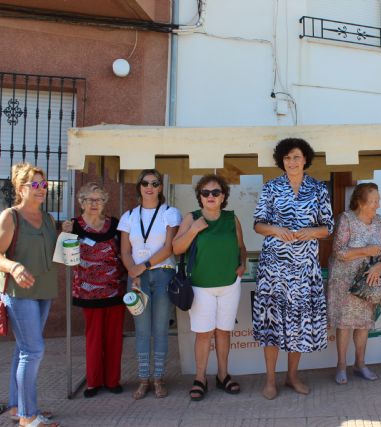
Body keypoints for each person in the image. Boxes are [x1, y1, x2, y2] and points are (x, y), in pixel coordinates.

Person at [253, 137, 334, 399]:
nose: (292, 162)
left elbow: (328, 227)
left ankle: (292, 377)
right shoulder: (271, 187)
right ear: (281, 161)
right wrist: (274, 228)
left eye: (296, 157)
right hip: (274, 270)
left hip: (303, 271)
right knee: (273, 324)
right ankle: (269, 380)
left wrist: (311, 231)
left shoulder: (318, 189)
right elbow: (258, 224)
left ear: (306, 159)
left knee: (298, 324)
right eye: (287, 157)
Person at [0, 163, 59, 427]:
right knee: (33, 350)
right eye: (35, 185)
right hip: (18, 293)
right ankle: (28, 416)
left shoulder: (49, 219)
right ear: (20, 188)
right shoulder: (10, 216)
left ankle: (17, 407)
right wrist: (14, 266)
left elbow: (54, 253)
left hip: (45, 291)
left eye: (44, 184)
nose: (42, 190)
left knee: (23, 350)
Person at [172, 174, 247, 402]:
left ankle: (223, 375)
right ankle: (200, 378)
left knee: (223, 332)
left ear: (223, 196)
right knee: (204, 334)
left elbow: (242, 247)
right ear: (200, 197)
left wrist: (242, 264)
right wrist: (194, 229)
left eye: (216, 192)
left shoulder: (231, 219)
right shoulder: (191, 218)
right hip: (200, 286)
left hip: (229, 285)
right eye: (206, 193)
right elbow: (176, 248)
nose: (211, 196)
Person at [118, 169, 181, 399]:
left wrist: (141, 266)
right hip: (136, 278)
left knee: (160, 329)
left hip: (162, 274)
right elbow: (124, 251)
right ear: (139, 186)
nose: (150, 187)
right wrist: (132, 270)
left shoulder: (169, 213)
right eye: (145, 183)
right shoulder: (129, 216)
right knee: (142, 330)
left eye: (155, 183)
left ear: (160, 187)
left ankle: (159, 379)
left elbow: (169, 247)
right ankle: (143, 379)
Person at [62, 183, 126, 398]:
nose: (94, 204)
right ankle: (93, 382)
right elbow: (64, 258)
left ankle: (112, 380)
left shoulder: (115, 224)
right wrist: (66, 236)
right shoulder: (74, 226)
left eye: (98, 199)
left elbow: (125, 252)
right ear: (81, 202)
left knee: (114, 338)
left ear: (105, 202)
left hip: (115, 291)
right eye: (89, 199)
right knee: (94, 338)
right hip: (88, 293)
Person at [327, 183, 381, 385]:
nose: (378, 205)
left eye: (378, 200)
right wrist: (366, 250)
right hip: (344, 281)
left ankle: (360, 364)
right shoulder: (346, 219)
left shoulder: (379, 221)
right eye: (374, 201)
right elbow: (338, 252)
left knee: (364, 324)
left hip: (369, 281)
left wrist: (380, 265)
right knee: (345, 324)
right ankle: (341, 366)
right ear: (360, 202)